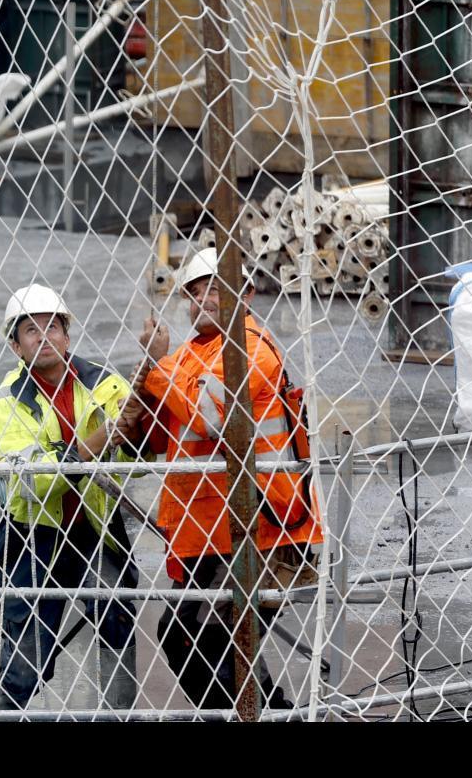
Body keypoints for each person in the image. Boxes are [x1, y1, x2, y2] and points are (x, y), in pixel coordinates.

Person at [132, 249, 322, 709]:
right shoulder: (192, 354)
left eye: (214, 289)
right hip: (207, 528)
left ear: (246, 293)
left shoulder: (250, 347)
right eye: (195, 294)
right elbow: (161, 438)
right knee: (204, 640)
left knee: (198, 636)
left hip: (255, 525)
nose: (202, 301)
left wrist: (157, 370)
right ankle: (270, 714)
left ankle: (267, 715)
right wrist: (144, 393)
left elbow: (211, 416)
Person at [0, 283, 147, 710]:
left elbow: (134, 458)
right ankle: (10, 713)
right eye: (31, 330)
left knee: (116, 620)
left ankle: (116, 716)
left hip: (95, 530)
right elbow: (33, 483)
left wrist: (138, 421)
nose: (44, 336)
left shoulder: (104, 384)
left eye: (52, 326)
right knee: (25, 655)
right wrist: (102, 438)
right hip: (35, 537)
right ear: (16, 345)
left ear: (67, 335)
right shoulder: (4, 405)